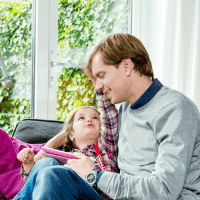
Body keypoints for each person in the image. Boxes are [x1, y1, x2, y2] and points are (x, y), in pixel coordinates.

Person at [22, 33, 200, 200]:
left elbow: (165, 190)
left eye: (101, 75)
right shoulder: (124, 111)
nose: (97, 86)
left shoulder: (174, 108)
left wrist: (96, 175)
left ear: (126, 67)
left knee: (54, 176)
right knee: (48, 167)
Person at [13, 91, 118, 200]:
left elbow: (109, 115)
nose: (89, 119)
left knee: (53, 172)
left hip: (94, 195)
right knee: (47, 163)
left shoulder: (106, 148)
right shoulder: (62, 157)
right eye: (81, 118)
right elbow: (35, 185)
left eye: (95, 117)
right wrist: (29, 163)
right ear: (72, 134)